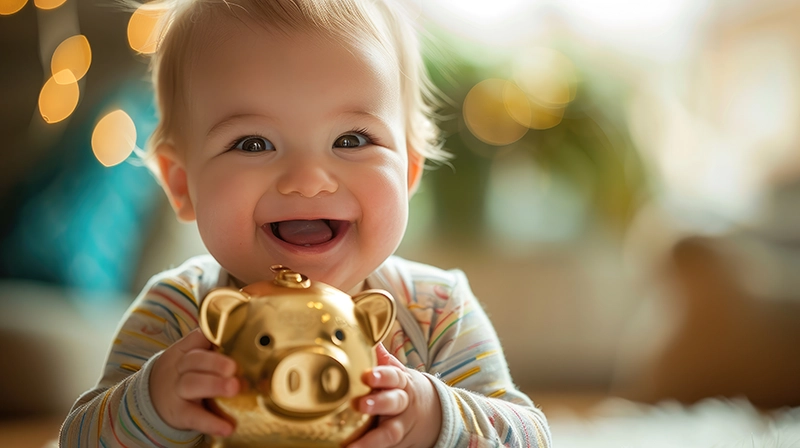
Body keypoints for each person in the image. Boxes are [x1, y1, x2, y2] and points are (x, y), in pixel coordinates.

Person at [59, 0, 552, 446]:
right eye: (253, 143)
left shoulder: (437, 313)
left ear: (410, 170)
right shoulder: (178, 313)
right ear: (183, 184)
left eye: (352, 139)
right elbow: (79, 438)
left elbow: (531, 438)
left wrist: (432, 416)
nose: (308, 180)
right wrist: (155, 401)